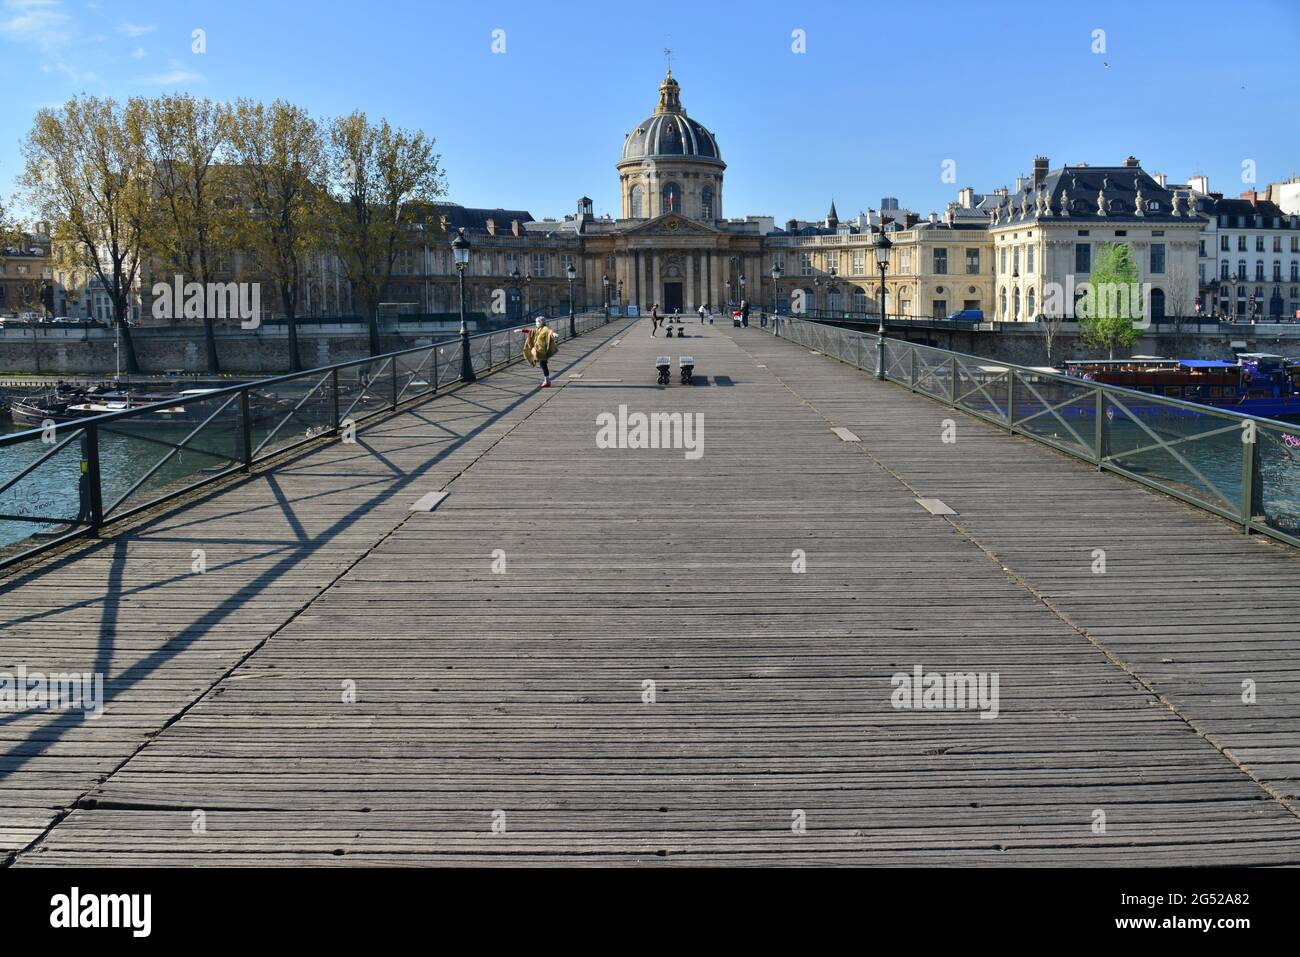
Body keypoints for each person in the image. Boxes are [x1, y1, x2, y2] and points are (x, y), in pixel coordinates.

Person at [523, 315, 558, 388]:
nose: (536, 323)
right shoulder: (539, 329)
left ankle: (547, 381)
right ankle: (547, 381)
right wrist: (522, 330)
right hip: (539, 350)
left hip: (542, 351)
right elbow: (532, 331)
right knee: (543, 364)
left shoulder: (545, 328)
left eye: (537, 322)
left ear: (541, 322)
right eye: (536, 322)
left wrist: (553, 334)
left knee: (543, 365)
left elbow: (549, 331)